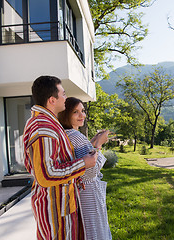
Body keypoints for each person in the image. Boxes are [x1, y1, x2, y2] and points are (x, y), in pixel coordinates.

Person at [23, 76, 97, 240]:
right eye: (63, 94)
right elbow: (47, 174)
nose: (65, 97)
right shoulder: (44, 128)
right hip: (55, 207)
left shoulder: (47, 122)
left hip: (60, 203)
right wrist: (84, 163)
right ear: (52, 100)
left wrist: (75, 178)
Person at [58, 97, 112, 240]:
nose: (82, 115)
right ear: (66, 114)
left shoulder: (66, 135)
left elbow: (84, 157)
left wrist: (92, 143)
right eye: (76, 112)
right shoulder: (75, 135)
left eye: (82, 110)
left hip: (80, 192)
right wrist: (99, 144)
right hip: (88, 193)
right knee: (95, 232)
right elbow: (90, 171)